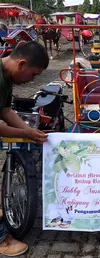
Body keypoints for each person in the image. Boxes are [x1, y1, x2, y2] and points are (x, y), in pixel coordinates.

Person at [0, 41, 50, 256]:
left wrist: (29, 130)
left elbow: (4, 110)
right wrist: (25, 133)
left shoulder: (6, 76)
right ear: (21, 64)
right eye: (34, 75)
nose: (33, 80)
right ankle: (2, 241)